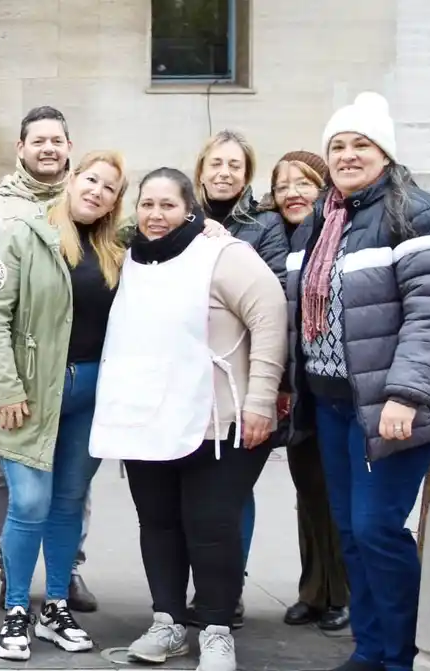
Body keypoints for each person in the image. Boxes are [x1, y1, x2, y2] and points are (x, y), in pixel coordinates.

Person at [285, 92, 430, 671]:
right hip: (332, 404)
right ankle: (370, 649)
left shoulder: (418, 214)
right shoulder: (320, 221)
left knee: (376, 528)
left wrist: (405, 395)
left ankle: (404, 655)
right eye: (337, 145)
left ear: (385, 152)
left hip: (391, 406)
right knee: (349, 530)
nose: (347, 155)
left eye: (360, 144)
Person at [89, 167, 285, 671]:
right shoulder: (129, 257)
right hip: (148, 419)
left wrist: (261, 400)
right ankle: (168, 622)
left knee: (211, 524)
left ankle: (217, 630)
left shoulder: (223, 255)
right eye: (147, 204)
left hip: (218, 421)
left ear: (190, 209)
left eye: (168, 205)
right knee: (158, 523)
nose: (156, 215)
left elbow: (270, 316)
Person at [0, 150, 127, 661]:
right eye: (91, 180)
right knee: (29, 502)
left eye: (109, 188)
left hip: (91, 393)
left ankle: (56, 606)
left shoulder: (117, 249)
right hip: (30, 393)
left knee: (69, 500)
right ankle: (17, 608)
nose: (97, 192)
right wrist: (6, 387)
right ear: (72, 179)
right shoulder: (24, 235)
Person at [0, 106, 99, 614]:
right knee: (10, 478)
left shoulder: (92, 204)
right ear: (20, 148)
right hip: (22, 373)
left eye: (57, 140)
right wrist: (3, 379)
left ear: (69, 148)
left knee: (71, 484)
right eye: (38, 140)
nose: (48, 148)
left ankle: (65, 569)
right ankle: (10, 565)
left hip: (77, 374)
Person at [189, 129, 290, 628]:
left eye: (234, 165)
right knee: (191, 491)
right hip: (189, 376)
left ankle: (229, 588)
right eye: (216, 163)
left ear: (247, 174)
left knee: (230, 491)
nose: (224, 173)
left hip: (242, 375)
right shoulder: (182, 216)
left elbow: (274, 297)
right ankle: (199, 585)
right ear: (201, 169)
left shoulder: (265, 225)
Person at [257, 151, 350, 632]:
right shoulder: (280, 236)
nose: (292, 193)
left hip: (337, 385)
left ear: (324, 185)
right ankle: (313, 591)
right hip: (299, 387)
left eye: (303, 183)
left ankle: (343, 593)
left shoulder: (340, 230)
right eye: (282, 186)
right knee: (309, 491)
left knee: (338, 496)